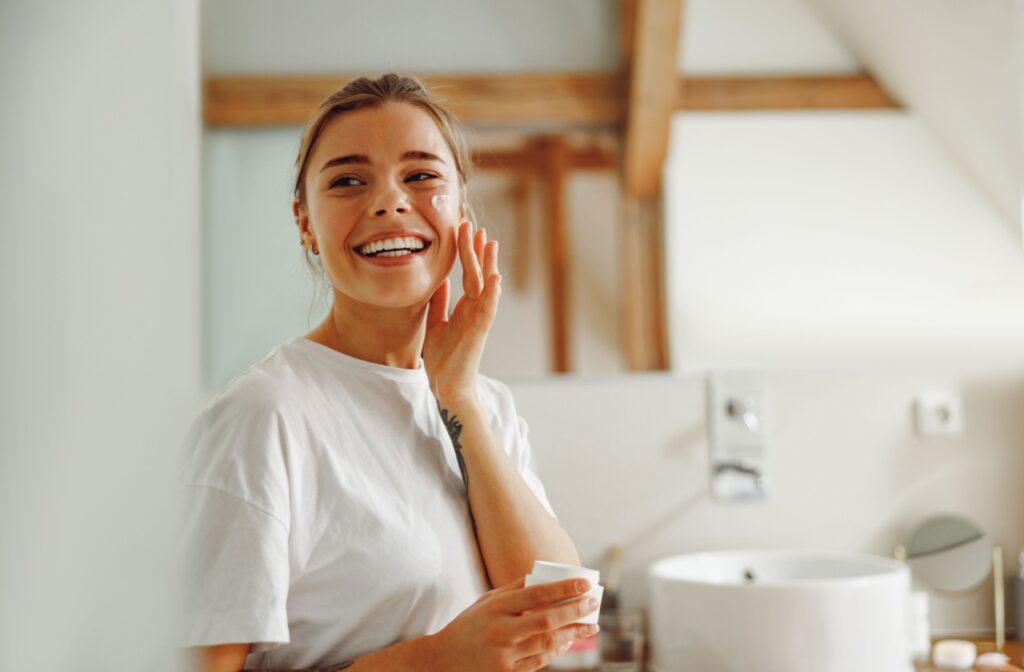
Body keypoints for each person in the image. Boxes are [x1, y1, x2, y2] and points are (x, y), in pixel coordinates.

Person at [179, 73, 598, 672]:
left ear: (460, 209)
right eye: (348, 181)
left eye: (422, 175)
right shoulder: (264, 417)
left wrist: (459, 400)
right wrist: (430, 660)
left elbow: (562, 608)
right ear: (305, 224)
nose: (388, 201)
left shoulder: (486, 406)